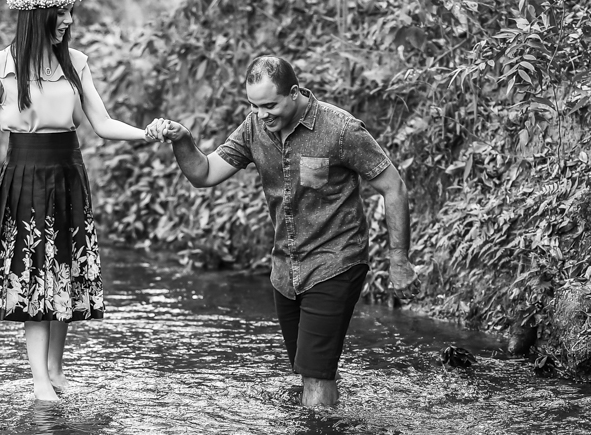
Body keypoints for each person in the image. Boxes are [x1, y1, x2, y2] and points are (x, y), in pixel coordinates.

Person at [147, 56, 418, 408]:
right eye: (254, 106)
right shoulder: (254, 128)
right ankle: (334, 430)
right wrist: (182, 139)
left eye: (270, 106)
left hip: (336, 262)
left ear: (294, 93)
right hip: (285, 269)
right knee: (311, 373)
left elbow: (394, 187)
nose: (262, 115)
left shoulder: (340, 129)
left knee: (316, 378)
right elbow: (205, 173)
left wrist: (399, 260)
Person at [0, 0, 162, 401]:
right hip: (25, 174)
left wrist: (147, 133)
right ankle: (40, 382)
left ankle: (56, 371)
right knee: (33, 273)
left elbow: (101, 123)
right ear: (38, 14)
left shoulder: (75, 62)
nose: (68, 20)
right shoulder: (0, 68)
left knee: (63, 269)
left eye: (69, 12)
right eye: (61, 12)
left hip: (68, 174)